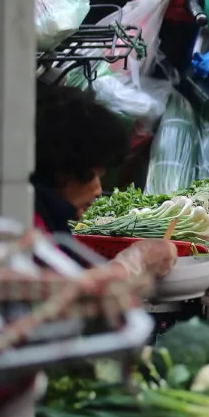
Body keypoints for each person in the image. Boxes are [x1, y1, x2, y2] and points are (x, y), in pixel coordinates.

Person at [33, 84, 176, 278]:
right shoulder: (32, 223)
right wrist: (133, 264)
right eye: (95, 175)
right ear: (64, 170)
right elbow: (65, 290)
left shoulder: (51, 220)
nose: (99, 190)